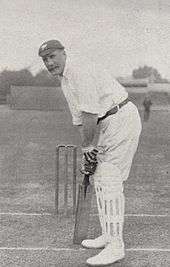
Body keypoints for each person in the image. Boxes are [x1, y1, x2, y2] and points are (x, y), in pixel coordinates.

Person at [38, 40, 142, 266]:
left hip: (119, 119)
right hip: (107, 123)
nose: (49, 62)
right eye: (45, 59)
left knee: (109, 180)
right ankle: (108, 235)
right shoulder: (65, 79)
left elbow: (90, 113)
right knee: (101, 180)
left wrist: (87, 146)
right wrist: (88, 149)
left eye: (52, 56)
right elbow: (79, 119)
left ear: (64, 53)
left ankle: (116, 247)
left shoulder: (78, 71)